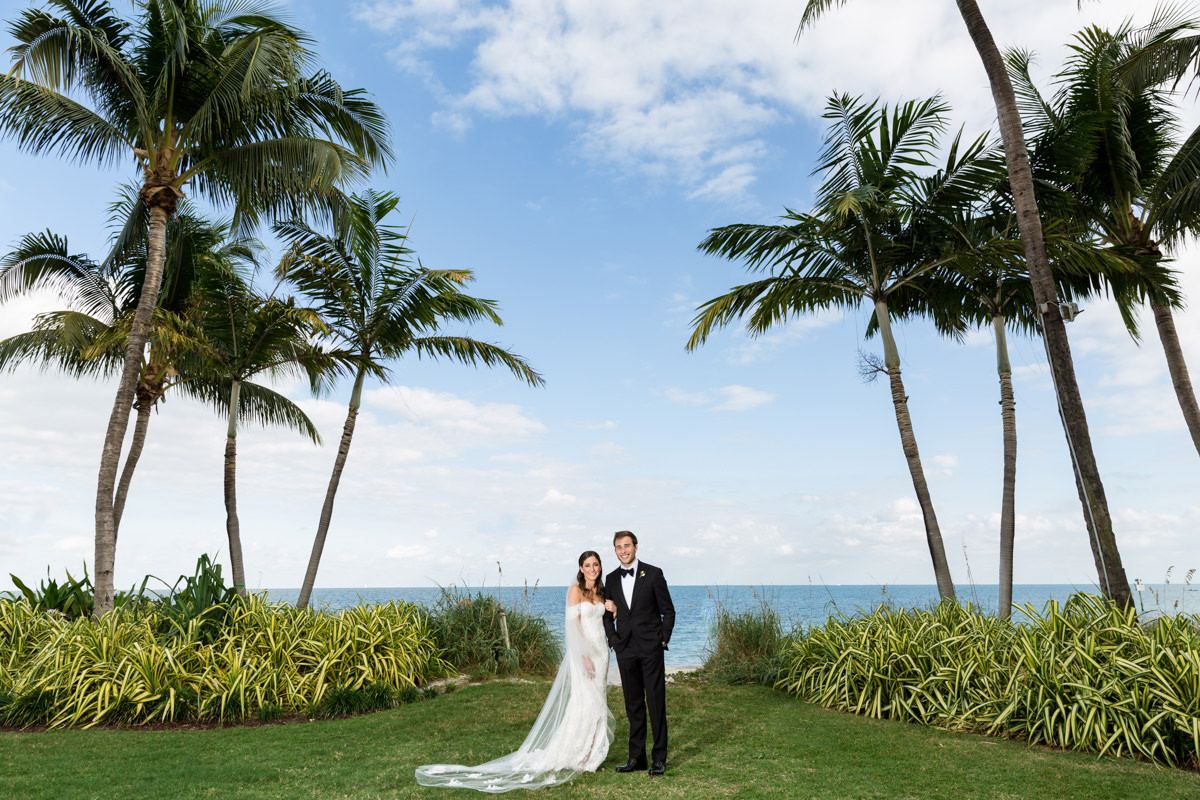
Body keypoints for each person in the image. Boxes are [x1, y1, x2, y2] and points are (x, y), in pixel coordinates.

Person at [415, 552, 615, 793]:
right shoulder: (575, 591)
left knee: (597, 701)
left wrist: (613, 608)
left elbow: (606, 621)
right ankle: (579, 754)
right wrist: (583, 655)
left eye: (595, 564)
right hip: (584, 655)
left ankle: (592, 752)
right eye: (587, 565)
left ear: (600, 567)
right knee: (584, 702)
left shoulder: (603, 592)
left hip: (601, 653)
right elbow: (572, 626)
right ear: (580, 569)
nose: (592, 568)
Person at [602, 530, 675, 777]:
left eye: (627, 546)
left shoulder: (653, 574)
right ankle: (636, 758)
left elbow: (668, 611)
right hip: (625, 649)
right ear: (615, 551)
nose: (623, 550)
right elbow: (606, 614)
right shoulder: (611, 579)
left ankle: (659, 758)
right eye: (618, 547)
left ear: (636, 547)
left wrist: (662, 641)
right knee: (633, 705)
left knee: (655, 703)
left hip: (650, 648)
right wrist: (613, 641)